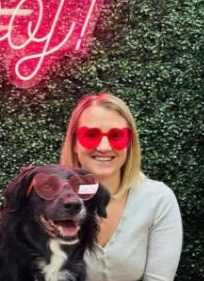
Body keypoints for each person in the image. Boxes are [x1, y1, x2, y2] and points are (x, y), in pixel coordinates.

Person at [59, 93, 183, 281]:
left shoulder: (157, 199)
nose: (104, 146)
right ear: (74, 143)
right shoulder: (49, 203)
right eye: (91, 135)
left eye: (116, 136)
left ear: (129, 143)